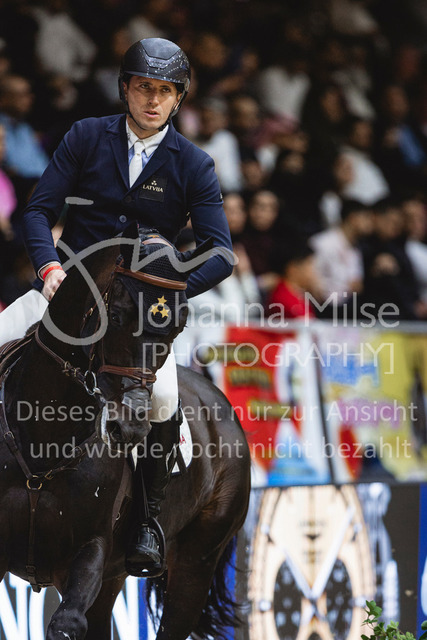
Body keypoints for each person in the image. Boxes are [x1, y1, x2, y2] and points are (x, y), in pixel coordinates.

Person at [0, 38, 233, 576]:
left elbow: (221, 253)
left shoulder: (193, 163)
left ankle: (148, 520)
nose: (153, 100)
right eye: (144, 87)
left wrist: (167, 292)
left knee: (164, 399)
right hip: (65, 293)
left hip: (136, 320)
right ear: (125, 88)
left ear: (178, 99)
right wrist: (49, 269)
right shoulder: (87, 136)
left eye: (165, 92)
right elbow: (36, 212)